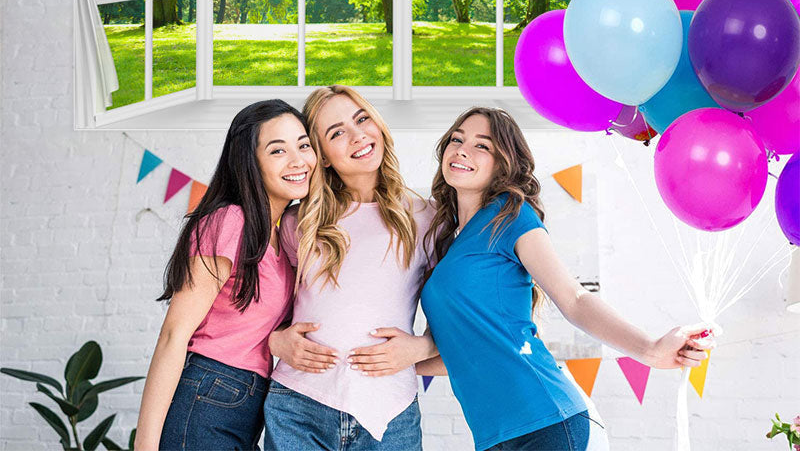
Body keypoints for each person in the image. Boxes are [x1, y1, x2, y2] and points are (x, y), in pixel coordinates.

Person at [418, 107, 716, 451]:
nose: (462, 150)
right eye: (457, 139)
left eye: (482, 146)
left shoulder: (510, 216)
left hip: (548, 424)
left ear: (503, 163)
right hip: (496, 437)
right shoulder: (450, 243)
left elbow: (573, 299)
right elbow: (467, 353)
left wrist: (647, 350)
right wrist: (376, 365)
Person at [134, 100, 316, 451]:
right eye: (278, 150)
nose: (298, 161)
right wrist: (145, 446)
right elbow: (174, 335)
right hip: (209, 394)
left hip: (249, 403)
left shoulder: (285, 236)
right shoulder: (231, 220)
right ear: (250, 162)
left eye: (303, 145)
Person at [264, 85, 438, 451]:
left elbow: (460, 313)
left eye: (362, 119)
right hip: (299, 404)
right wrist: (276, 340)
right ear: (322, 156)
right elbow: (264, 310)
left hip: (390, 410)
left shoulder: (426, 218)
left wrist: (421, 347)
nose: (358, 135)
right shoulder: (301, 221)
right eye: (337, 132)